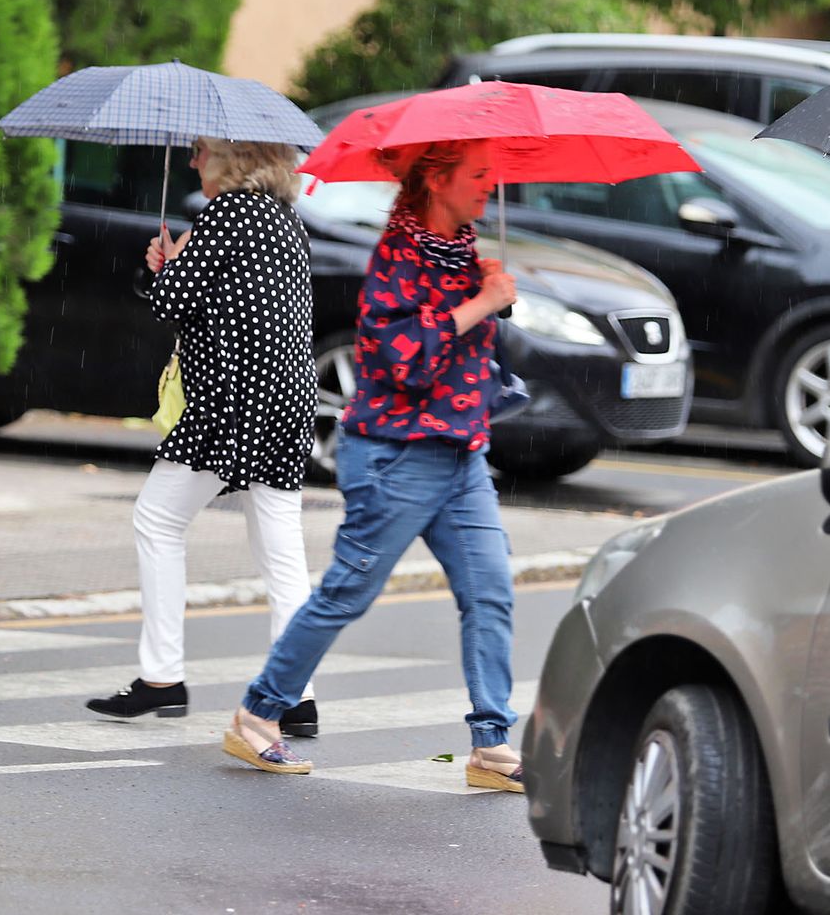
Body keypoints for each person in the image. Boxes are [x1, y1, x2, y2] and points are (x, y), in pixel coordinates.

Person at [221, 139, 528, 792]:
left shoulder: (461, 249)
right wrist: (480, 303)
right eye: (477, 174)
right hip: (396, 454)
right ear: (437, 181)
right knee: (347, 592)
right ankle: (257, 715)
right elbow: (400, 359)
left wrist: (489, 293)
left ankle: (492, 744)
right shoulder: (400, 254)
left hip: (460, 454)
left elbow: (464, 349)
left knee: (490, 593)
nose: (489, 185)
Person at [85, 137, 319, 737]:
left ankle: (162, 678)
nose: (192, 161)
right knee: (281, 550)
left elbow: (170, 303)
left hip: (231, 401)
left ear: (233, 158)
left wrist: (168, 264)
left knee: (157, 520)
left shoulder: (226, 213)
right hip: (287, 397)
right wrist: (179, 262)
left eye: (200, 150)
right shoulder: (286, 220)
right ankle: (296, 694)